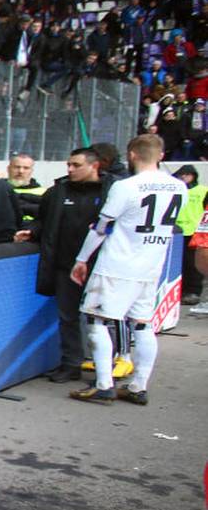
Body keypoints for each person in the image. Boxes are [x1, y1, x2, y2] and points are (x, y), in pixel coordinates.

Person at [69, 135, 188, 405]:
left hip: (117, 266)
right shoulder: (178, 186)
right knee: (143, 325)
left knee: (96, 320)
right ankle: (138, 386)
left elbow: (102, 227)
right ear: (161, 154)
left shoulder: (125, 187)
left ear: (132, 154)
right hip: (150, 267)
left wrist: (81, 259)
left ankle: (103, 384)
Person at [14, 148, 114, 383]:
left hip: (101, 266)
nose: (70, 169)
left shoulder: (112, 192)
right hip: (65, 265)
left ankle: (106, 367)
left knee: (103, 318)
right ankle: (71, 364)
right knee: (67, 317)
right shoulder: (58, 192)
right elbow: (44, 220)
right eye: (68, 164)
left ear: (94, 165)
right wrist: (33, 231)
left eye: (76, 165)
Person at [172, 165, 205, 305]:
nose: (183, 178)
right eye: (181, 176)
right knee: (178, 264)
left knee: (193, 265)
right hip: (177, 231)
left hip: (194, 231)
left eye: (185, 175)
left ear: (193, 176)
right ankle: (180, 291)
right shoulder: (177, 190)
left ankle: (193, 291)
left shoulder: (203, 190)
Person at [8, 153, 46, 223]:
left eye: (26, 168)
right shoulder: (1, 190)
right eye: (17, 167)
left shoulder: (44, 192)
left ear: (31, 171)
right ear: (8, 168)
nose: (21, 171)